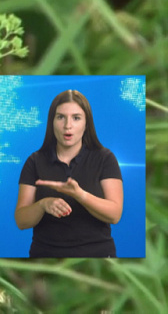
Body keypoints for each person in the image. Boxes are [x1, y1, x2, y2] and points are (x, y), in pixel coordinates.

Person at [13, 89, 123, 258]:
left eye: (76, 118)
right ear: (52, 122)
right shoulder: (34, 161)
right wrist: (43, 204)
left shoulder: (105, 158)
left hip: (97, 254)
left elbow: (115, 215)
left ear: (87, 124)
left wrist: (80, 195)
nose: (67, 125)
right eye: (61, 117)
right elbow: (21, 220)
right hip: (45, 256)